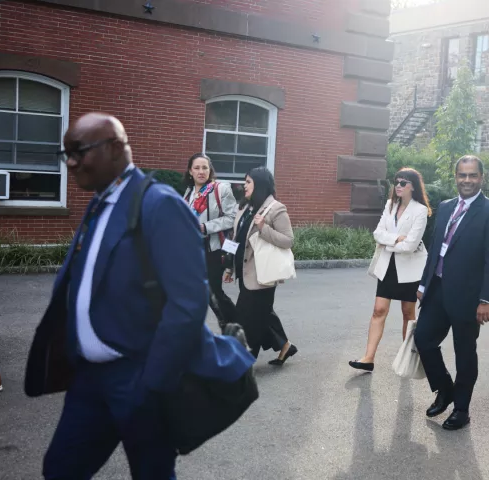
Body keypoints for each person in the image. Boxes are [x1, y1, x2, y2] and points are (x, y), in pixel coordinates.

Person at [27, 113, 254, 479]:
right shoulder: (100, 201)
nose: (70, 163)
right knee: (60, 469)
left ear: (116, 149)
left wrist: (153, 382)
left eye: (79, 152)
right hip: (89, 382)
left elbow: (188, 303)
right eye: (65, 153)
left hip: (139, 380)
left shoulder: (159, 204)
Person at [414, 155, 489, 431]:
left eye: (472, 175)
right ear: (455, 177)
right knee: (423, 339)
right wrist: (423, 285)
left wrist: (486, 299)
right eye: (462, 175)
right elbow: (434, 250)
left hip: (469, 297)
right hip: (438, 289)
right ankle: (445, 389)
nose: (467, 180)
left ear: (481, 178)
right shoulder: (445, 207)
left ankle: (462, 409)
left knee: (464, 352)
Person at [350, 168, 431, 372]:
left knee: (408, 313)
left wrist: (389, 243)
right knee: (378, 310)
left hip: (410, 269)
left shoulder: (420, 210)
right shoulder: (390, 205)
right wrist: (395, 239)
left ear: (413, 186)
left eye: (403, 183)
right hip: (388, 267)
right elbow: (377, 233)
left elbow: (411, 245)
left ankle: (407, 359)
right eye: (396, 182)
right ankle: (368, 358)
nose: (398, 186)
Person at [224, 167, 297, 365]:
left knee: (247, 320)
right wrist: (229, 267)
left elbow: (288, 240)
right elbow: (236, 238)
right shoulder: (245, 207)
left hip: (262, 274)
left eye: (248, 182)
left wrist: (264, 228)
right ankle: (284, 346)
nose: (244, 186)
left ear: (259, 184)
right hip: (244, 272)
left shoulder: (276, 209)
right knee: (261, 314)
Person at [182, 154, 238, 329]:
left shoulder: (220, 189)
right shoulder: (189, 192)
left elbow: (232, 217)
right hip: (193, 250)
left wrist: (206, 227)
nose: (201, 171)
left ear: (210, 170)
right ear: (190, 171)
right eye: (197, 168)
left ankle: (234, 324)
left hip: (212, 248)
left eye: (204, 168)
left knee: (213, 291)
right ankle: (232, 324)